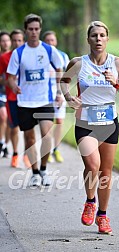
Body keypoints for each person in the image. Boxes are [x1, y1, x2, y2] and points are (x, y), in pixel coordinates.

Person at [60, 21, 119, 234]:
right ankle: (90, 201)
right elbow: (64, 81)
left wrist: (117, 84)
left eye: (102, 35)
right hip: (85, 121)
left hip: (109, 123)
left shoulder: (117, 63)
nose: (98, 39)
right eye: (94, 36)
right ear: (88, 40)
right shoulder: (78, 63)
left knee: (105, 172)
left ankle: (102, 215)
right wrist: (68, 97)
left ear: (107, 39)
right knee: (93, 166)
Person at [7, 14, 63, 186]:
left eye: (36, 29)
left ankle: (44, 169)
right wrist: (14, 86)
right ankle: (35, 172)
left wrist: (59, 91)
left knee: (47, 136)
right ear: (26, 30)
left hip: (44, 100)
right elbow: (10, 76)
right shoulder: (19, 52)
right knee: (30, 139)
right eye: (30, 29)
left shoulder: (48, 50)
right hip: (25, 102)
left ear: (40, 29)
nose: (33, 32)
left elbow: (60, 69)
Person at [0, 29, 31, 168]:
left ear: (23, 41)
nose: (17, 43)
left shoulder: (29, 56)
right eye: (14, 40)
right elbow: (1, 78)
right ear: (11, 42)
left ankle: (26, 155)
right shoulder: (5, 57)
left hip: (28, 98)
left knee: (27, 129)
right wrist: (9, 82)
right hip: (12, 97)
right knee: (14, 128)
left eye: (20, 40)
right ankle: (15, 154)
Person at [42, 31, 70, 163]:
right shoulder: (40, 56)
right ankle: (46, 150)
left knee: (59, 121)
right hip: (45, 94)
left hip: (59, 93)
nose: (50, 43)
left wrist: (63, 93)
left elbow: (67, 77)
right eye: (47, 41)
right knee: (46, 123)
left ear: (56, 41)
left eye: (52, 40)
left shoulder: (63, 56)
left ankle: (56, 149)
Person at [0, 31, 11, 157]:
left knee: (9, 121)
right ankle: (1, 142)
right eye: (3, 40)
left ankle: (5, 145)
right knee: (3, 116)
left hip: (11, 93)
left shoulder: (14, 57)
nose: (5, 43)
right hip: (1, 91)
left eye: (7, 40)